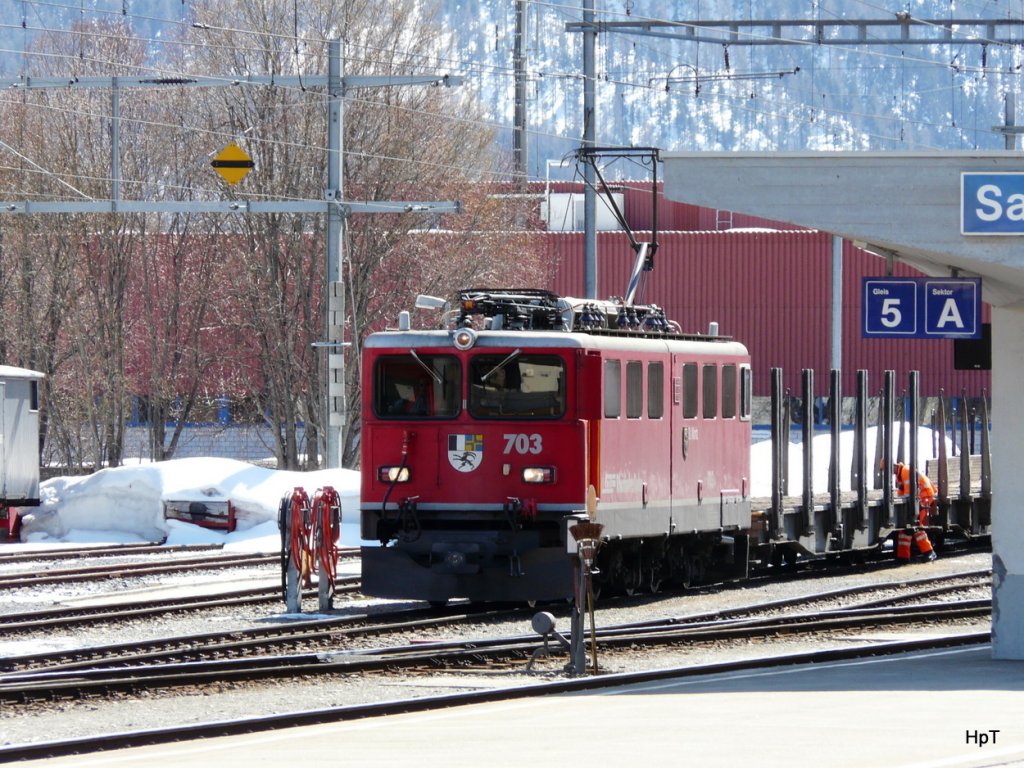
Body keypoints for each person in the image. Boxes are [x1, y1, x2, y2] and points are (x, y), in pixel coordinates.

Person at [893, 461, 938, 562]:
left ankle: (929, 552)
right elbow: (902, 492)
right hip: (921, 496)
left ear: (894, 466)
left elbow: (909, 494)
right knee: (905, 529)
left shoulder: (905, 472)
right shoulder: (900, 474)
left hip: (924, 496)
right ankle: (903, 557)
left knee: (917, 526)